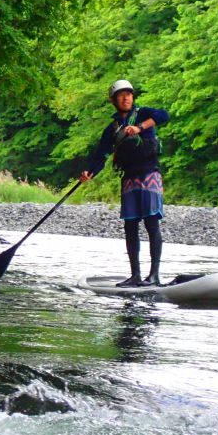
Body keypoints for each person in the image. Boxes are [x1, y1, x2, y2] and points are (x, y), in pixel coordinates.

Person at [79, 79, 169, 287]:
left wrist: (139, 128)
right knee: (130, 226)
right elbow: (100, 155)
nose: (126, 97)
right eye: (121, 95)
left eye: (129, 93)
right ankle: (135, 275)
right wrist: (88, 172)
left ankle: (154, 275)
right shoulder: (112, 129)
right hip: (129, 178)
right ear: (114, 100)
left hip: (149, 175)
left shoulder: (144, 113)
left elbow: (164, 115)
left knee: (151, 223)